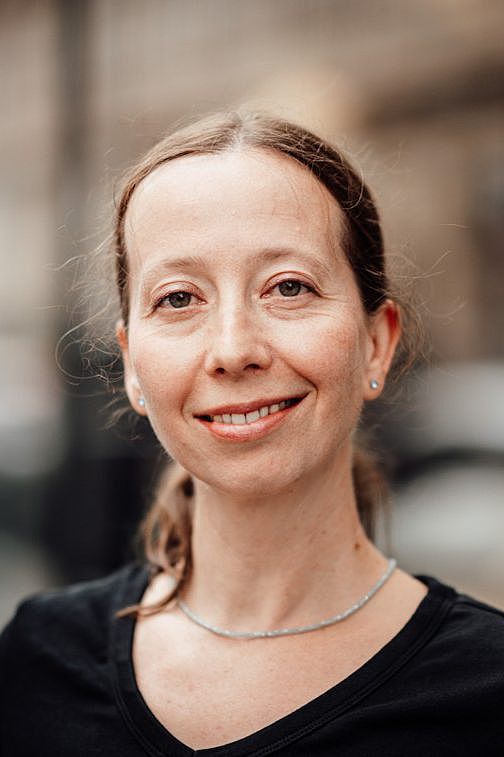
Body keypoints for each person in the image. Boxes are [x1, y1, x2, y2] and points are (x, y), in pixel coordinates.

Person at [1, 110, 503, 756]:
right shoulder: (38, 665)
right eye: (179, 298)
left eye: (288, 287)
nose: (234, 349)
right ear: (130, 365)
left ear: (376, 344)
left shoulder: (485, 690)